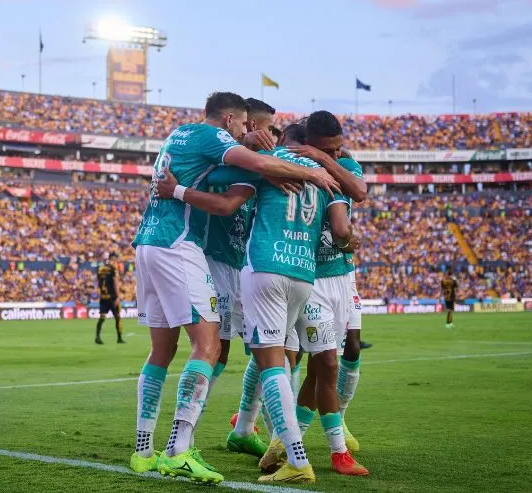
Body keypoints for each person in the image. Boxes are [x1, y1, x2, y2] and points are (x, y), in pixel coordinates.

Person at [129, 92, 340, 483]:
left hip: (148, 242)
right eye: (244, 126)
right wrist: (311, 170)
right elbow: (251, 169)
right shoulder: (214, 139)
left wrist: (273, 170)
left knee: (162, 350)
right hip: (181, 245)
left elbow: (245, 174)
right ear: (230, 120)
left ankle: (144, 450)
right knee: (209, 346)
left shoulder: (180, 135)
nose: (249, 132)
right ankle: (179, 449)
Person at [154, 98, 283, 460]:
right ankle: (187, 435)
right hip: (217, 261)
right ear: (241, 124)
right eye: (264, 127)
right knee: (219, 350)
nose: (271, 134)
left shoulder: (249, 163)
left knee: (269, 346)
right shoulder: (220, 160)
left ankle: (246, 427)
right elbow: (225, 201)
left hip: (247, 264)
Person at [281, 112, 369, 476]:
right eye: (326, 148)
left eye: (338, 146)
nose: (336, 152)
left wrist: (327, 159)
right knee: (320, 361)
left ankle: (314, 431)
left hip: (343, 279)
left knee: (337, 357)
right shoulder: (293, 168)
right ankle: (327, 450)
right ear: (310, 142)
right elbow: (339, 232)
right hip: (308, 275)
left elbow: (359, 193)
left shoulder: (342, 164)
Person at [96, 252, 124, 344]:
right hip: (112, 297)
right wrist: (118, 297)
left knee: (102, 317)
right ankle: (119, 338)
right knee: (117, 317)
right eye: (116, 260)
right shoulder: (113, 269)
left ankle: (97, 337)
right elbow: (116, 284)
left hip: (103, 297)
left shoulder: (100, 269)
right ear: (113, 259)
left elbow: (99, 283)